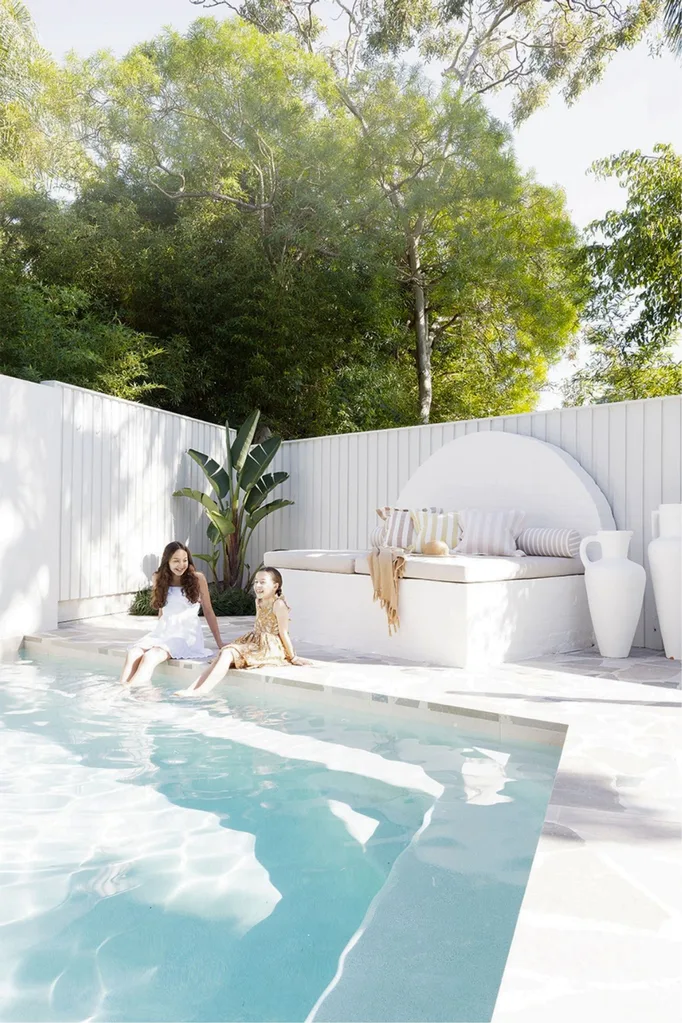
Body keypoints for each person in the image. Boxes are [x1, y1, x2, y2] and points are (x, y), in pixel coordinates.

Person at [176, 567, 308, 696]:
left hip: (270, 646)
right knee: (225, 652)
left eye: (262, 582)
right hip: (256, 640)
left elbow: (284, 633)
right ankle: (193, 688)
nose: (257, 585)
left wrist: (293, 657)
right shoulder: (258, 601)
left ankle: (202, 691)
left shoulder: (279, 605)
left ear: (275, 586)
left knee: (228, 653)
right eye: (256, 582)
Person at [119, 541, 223, 686]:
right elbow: (162, 609)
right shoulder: (158, 578)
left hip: (186, 635)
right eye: (176, 561)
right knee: (134, 653)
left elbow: (208, 610)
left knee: (150, 657)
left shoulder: (198, 578)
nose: (181, 565)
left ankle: (132, 695)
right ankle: (122, 691)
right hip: (164, 632)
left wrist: (219, 642)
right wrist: (158, 634)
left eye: (184, 560)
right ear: (167, 561)